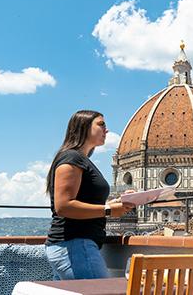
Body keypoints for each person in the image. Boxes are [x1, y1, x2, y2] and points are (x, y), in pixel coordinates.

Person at [45, 110, 134, 280]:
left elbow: (83, 199)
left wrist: (117, 201)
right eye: (101, 124)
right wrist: (109, 210)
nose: (106, 130)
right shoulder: (72, 157)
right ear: (84, 127)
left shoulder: (80, 159)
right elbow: (63, 206)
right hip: (74, 246)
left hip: (72, 246)